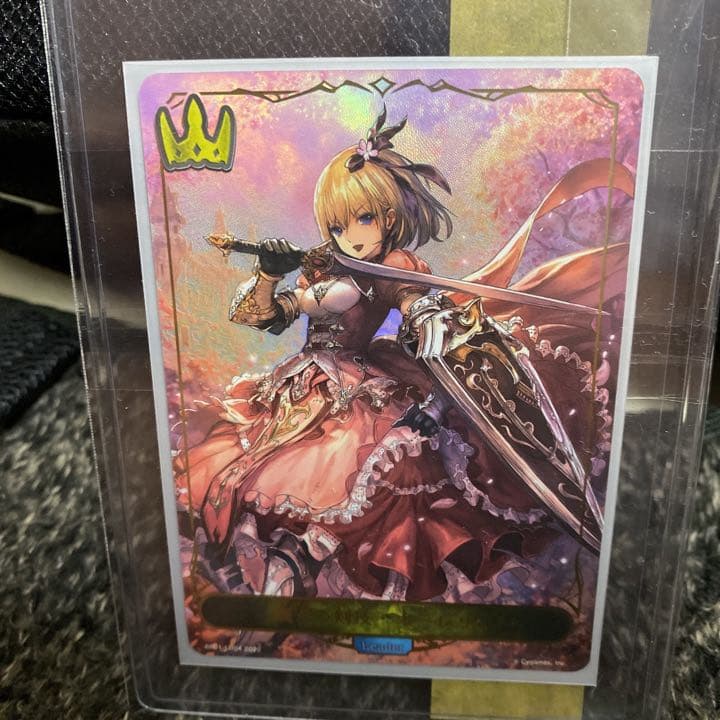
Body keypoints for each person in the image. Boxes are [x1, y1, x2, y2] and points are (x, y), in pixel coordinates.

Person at [176, 108, 626, 603]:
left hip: (358, 388)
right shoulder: (321, 265)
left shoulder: (392, 266)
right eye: (338, 223)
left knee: (370, 470)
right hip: (301, 386)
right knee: (266, 470)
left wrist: (425, 316)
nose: (349, 233)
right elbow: (265, 316)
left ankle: (308, 559)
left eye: (364, 218)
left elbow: (413, 301)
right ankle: (283, 569)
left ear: (388, 218)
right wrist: (268, 273)